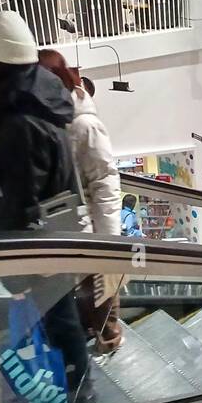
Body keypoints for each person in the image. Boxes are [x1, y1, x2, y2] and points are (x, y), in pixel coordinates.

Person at [0, 10, 92, 403]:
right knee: (58, 315)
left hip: (37, 246)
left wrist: (15, 268)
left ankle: (71, 390)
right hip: (54, 236)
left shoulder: (20, 120)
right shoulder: (37, 104)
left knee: (55, 318)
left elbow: (18, 198)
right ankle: (69, 385)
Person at [38, 48, 125, 353]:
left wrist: (109, 239)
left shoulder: (84, 124)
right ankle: (94, 335)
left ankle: (109, 339)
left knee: (104, 292)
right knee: (86, 292)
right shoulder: (53, 119)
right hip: (69, 225)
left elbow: (105, 180)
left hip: (93, 228)